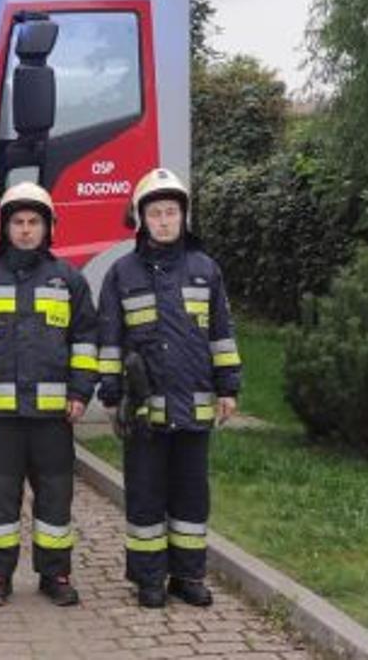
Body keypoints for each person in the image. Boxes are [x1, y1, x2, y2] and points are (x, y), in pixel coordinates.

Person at [96, 168, 241, 609]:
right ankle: (149, 580)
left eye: (171, 212)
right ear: (141, 219)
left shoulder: (206, 270)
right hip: (144, 412)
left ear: (183, 217)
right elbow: (110, 340)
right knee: (145, 497)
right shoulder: (121, 273)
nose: (164, 220)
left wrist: (228, 387)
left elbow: (222, 333)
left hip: (194, 409)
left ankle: (189, 576)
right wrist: (111, 394)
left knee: (191, 498)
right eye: (155, 213)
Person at [0, 182, 99, 607]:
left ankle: (57, 576)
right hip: (0, 418)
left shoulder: (68, 279)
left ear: (49, 227)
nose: (26, 230)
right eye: (18, 222)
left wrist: (80, 392)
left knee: (55, 499)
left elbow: (86, 339)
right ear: (5, 227)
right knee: (0, 501)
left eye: (35, 222)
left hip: (54, 418)